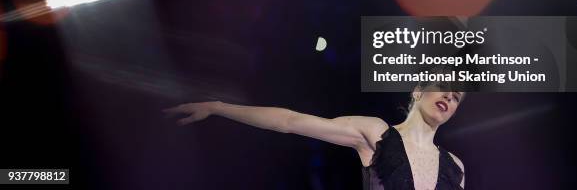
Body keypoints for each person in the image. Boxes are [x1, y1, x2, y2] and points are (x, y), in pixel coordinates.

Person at [164, 82, 465, 190]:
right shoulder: (377, 133)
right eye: (444, 87)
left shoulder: (455, 168)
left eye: (456, 96)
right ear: (418, 90)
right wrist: (218, 107)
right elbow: (290, 121)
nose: (449, 97)